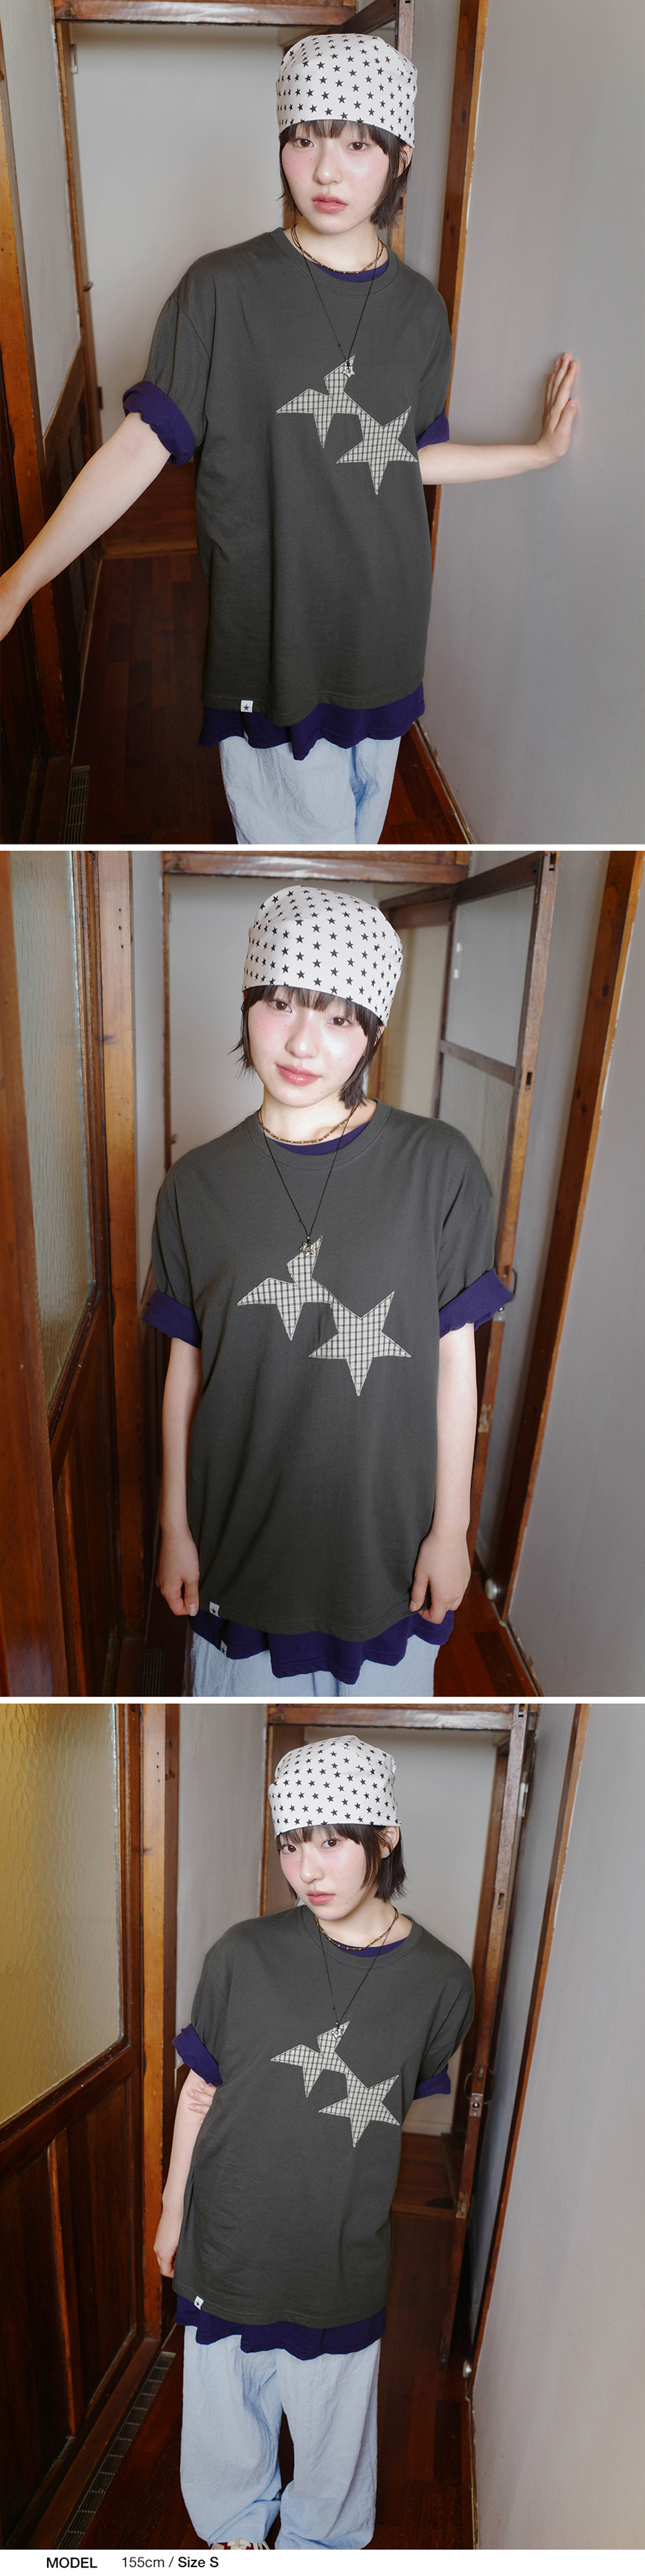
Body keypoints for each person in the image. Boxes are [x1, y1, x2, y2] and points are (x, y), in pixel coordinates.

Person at [0, 30, 578, 848]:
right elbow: (137, 448)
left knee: (359, 833)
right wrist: (17, 584)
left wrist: (537, 453)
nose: (326, 171)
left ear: (401, 158)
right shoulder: (219, 291)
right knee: (293, 846)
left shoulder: (422, 311)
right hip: (273, 637)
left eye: (357, 145)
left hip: (386, 629)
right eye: (304, 140)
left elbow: (408, 457)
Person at [147, 884, 513, 1698]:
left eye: (340, 1018)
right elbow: (186, 1371)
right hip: (239, 1546)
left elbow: (456, 1363)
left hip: (386, 1553)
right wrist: (175, 1526)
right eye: (281, 1003)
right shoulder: (193, 1188)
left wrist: (451, 1530)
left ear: (372, 1033)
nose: (303, 1042)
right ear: (249, 1004)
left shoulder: (440, 1168)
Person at [154, 1732, 475, 2550]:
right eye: (292, 1845)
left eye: (332, 1842)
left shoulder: (443, 1983)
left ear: (385, 1838)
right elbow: (200, 2092)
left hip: (340, 2246)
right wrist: (172, 2211)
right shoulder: (242, 1953)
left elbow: (395, 2101)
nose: (307, 1871)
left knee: (333, 2422)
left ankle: (318, 2546)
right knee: (225, 2404)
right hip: (229, 2230)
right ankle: (234, 2534)